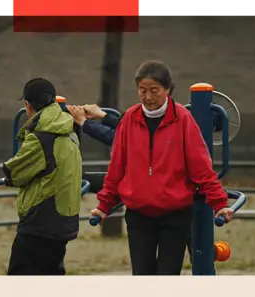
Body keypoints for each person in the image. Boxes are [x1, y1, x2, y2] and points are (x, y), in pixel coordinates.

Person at [88, 60, 234, 275]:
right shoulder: (130, 118)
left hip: (174, 215)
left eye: (154, 90)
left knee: (167, 274)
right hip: (139, 214)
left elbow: (201, 166)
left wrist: (219, 203)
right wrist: (104, 205)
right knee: (142, 274)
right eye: (142, 90)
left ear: (167, 89)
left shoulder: (183, 119)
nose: (148, 97)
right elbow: (117, 167)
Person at [3, 78, 82, 275]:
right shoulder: (69, 131)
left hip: (39, 223)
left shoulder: (41, 137)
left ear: (28, 106)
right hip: (62, 221)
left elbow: (14, 172)